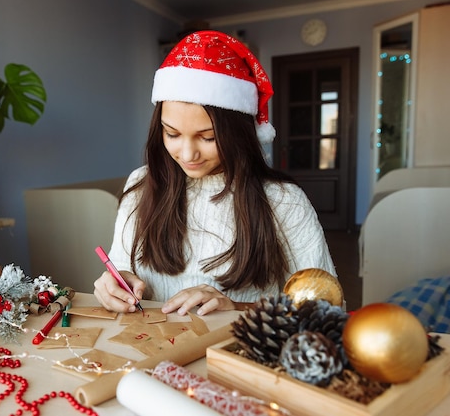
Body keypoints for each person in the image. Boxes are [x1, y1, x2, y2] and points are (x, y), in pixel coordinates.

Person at [93, 30, 336, 316]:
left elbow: (328, 307)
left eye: (207, 138)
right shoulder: (142, 184)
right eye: (171, 134)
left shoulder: (283, 201)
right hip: (150, 352)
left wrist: (235, 307)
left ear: (239, 134)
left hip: (236, 357)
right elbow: (122, 265)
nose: (187, 154)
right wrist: (115, 283)